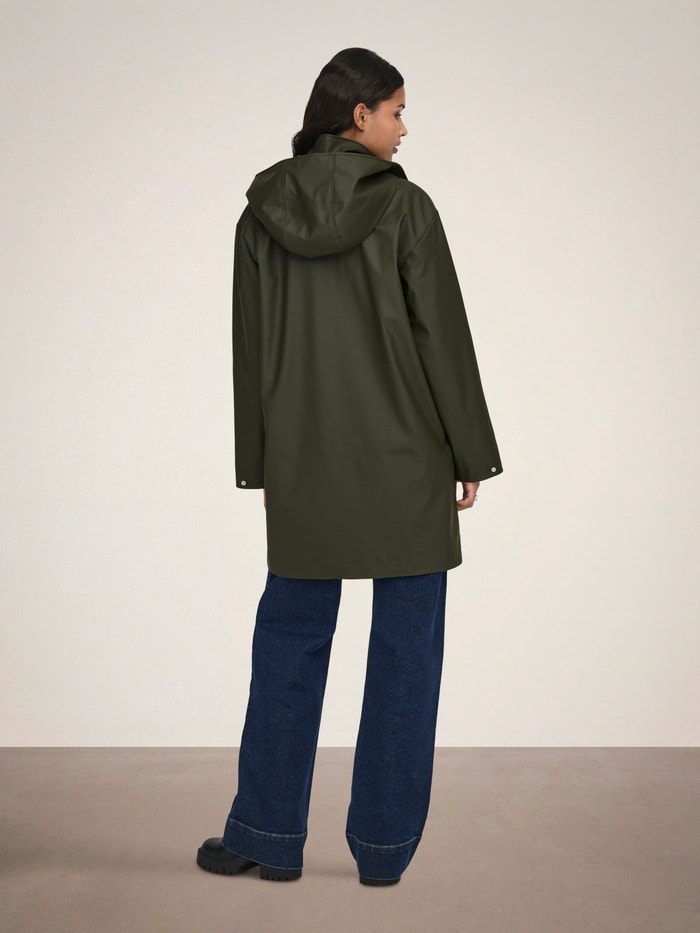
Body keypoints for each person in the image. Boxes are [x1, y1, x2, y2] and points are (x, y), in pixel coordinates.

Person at [196, 47, 503, 886]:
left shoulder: (260, 214)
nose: (404, 129)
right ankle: (382, 852)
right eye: (396, 111)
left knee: (288, 642)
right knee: (406, 656)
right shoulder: (407, 208)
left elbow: (251, 348)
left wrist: (260, 463)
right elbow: (442, 337)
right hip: (407, 461)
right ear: (358, 114)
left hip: (304, 462)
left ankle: (265, 834)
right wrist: (470, 451)